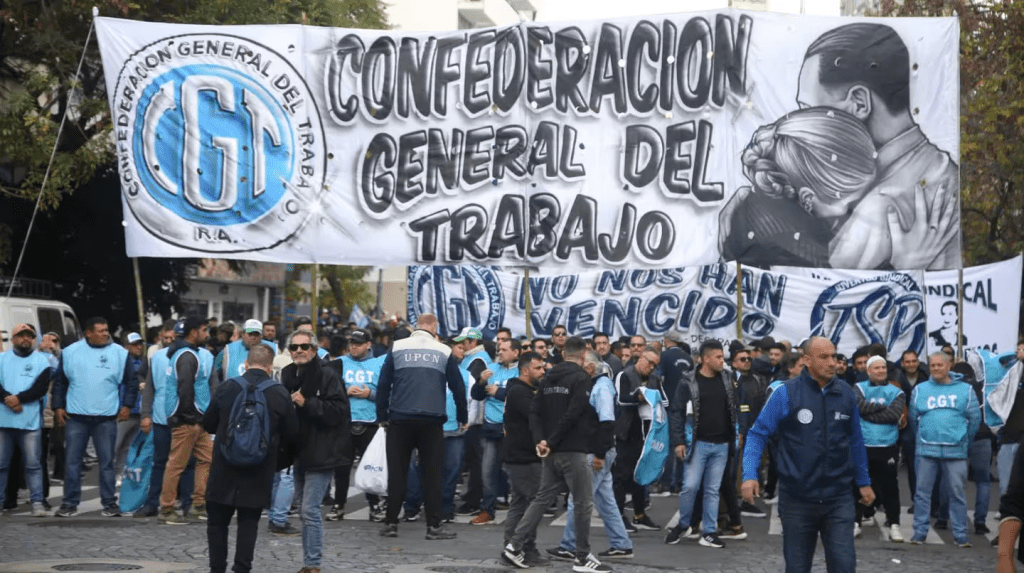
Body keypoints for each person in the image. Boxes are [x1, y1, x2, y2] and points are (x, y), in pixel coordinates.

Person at [741, 336, 874, 573]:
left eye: (834, 355)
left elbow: (855, 439)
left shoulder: (846, 394)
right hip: (797, 499)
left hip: (839, 497)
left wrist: (863, 482)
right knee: (797, 567)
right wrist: (749, 474)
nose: (833, 362)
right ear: (807, 360)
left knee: (844, 565)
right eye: (824, 357)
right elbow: (758, 434)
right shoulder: (786, 394)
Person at [501, 336, 611, 573]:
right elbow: (573, 414)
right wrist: (549, 440)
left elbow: (535, 411)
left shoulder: (548, 377)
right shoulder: (581, 378)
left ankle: (513, 547)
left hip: (550, 451)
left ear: (563, 354)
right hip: (572, 449)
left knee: (541, 499)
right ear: (584, 355)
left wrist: (542, 440)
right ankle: (582, 557)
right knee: (583, 503)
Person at [203, 344, 300, 573]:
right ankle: (242, 568)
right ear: (270, 366)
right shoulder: (278, 393)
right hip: (259, 468)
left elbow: (208, 423)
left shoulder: (227, 387)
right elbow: (293, 434)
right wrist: (278, 460)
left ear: (246, 364)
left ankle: (217, 568)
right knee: (249, 523)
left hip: (224, 466)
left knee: (217, 523)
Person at [376, 313, 467, 540]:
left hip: (400, 419)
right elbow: (458, 387)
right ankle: (434, 527)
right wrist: (463, 415)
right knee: (432, 475)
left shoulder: (397, 347)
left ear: (416, 327)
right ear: (434, 326)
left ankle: (390, 524)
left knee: (397, 474)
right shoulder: (443, 350)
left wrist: (382, 415)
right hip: (431, 421)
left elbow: (384, 383)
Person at [549, 350, 634, 561]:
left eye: (582, 363)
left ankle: (569, 545)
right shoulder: (596, 384)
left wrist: (599, 453)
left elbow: (607, 422)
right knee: (605, 501)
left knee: (577, 498)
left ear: (590, 366)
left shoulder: (601, 386)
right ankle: (621, 544)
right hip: (600, 450)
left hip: (598, 451)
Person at [52, 317, 139, 517]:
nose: (104, 334)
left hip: (106, 418)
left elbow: (131, 382)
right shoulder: (71, 352)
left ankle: (109, 503)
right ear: (88, 333)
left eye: (106, 330)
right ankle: (69, 503)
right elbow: (60, 382)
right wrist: (58, 407)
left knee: (107, 462)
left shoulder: (119, 353)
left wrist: (127, 405)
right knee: (72, 462)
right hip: (76, 417)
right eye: (99, 331)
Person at [281, 329, 350, 573]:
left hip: (323, 451)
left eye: (304, 346)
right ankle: (309, 562)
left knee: (309, 510)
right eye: (294, 347)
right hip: (299, 451)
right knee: (302, 509)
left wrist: (306, 403)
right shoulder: (288, 375)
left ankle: (312, 564)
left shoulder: (328, 375)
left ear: (314, 350)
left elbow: (339, 412)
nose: (299, 351)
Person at [666, 340, 739, 549]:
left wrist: (737, 433)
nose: (722, 360)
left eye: (722, 356)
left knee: (712, 490)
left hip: (722, 444)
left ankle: (709, 531)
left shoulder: (727, 377)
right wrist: (678, 441)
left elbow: (733, 407)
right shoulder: (688, 381)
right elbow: (677, 412)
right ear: (705, 358)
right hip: (696, 444)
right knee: (689, 486)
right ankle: (683, 524)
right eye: (717, 357)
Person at [907, 351, 980, 547]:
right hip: (926, 450)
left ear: (949, 366)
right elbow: (913, 420)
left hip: (956, 452)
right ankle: (919, 533)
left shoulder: (966, 390)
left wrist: (963, 440)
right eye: (933, 365)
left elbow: (974, 420)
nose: (936, 369)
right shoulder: (920, 389)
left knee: (957, 494)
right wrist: (923, 438)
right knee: (922, 494)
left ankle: (961, 535)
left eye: (940, 365)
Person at [159, 316, 218, 524]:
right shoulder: (186, 356)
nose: (207, 334)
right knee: (177, 465)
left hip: (195, 418)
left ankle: (198, 504)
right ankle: (166, 508)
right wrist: (190, 417)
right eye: (204, 329)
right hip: (188, 419)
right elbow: (185, 389)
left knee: (207, 459)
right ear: (193, 332)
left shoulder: (185, 353)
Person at [324, 328, 385, 522]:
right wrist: (345, 391)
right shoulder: (339, 364)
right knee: (342, 467)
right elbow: (327, 391)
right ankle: (339, 505)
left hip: (370, 422)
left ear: (368, 345)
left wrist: (370, 395)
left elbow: (388, 394)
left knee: (372, 466)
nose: (353, 347)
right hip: (346, 422)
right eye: (351, 343)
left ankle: (374, 505)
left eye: (358, 343)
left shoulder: (379, 363)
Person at [0, 323, 52, 517]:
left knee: (33, 465)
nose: (25, 339)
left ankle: (37, 502)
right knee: (1, 465)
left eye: (29, 336)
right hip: (3, 421)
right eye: (21, 336)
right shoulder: (1, 359)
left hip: (30, 422)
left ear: (33, 340)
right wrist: (10, 400)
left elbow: (40, 388)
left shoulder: (42, 361)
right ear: (13, 339)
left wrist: (19, 399)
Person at [854, 355, 905, 542]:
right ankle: (856, 522)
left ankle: (894, 525)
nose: (881, 371)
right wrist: (880, 409)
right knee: (858, 485)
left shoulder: (897, 392)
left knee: (890, 488)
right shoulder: (859, 388)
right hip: (863, 445)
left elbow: (892, 415)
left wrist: (869, 412)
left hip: (887, 446)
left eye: (883, 367)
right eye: (876, 368)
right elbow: (857, 406)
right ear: (868, 371)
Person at [503, 351, 547, 565]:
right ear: (525, 370)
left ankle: (512, 547)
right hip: (523, 457)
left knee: (520, 505)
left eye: (542, 367)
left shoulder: (526, 390)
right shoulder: (520, 392)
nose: (542, 371)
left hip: (523, 456)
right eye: (538, 368)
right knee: (532, 506)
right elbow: (535, 416)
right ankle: (525, 550)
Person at [614, 345, 663, 533]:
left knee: (640, 475)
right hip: (626, 432)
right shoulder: (625, 375)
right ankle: (618, 516)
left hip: (646, 432)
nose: (652, 368)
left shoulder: (654, 378)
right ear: (641, 358)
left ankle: (640, 514)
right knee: (621, 476)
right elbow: (621, 400)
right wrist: (641, 397)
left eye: (655, 365)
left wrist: (654, 398)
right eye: (650, 363)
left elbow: (663, 400)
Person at [470, 338, 520, 525]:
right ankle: (487, 509)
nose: (501, 353)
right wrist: (482, 382)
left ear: (516, 352)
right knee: (487, 471)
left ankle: (519, 510)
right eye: (499, 350)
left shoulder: (521, 370)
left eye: (505, 350)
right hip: (490, 428)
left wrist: (499, 392)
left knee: (514, 472)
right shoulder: (492, 368)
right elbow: (476, 395)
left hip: (512, 430)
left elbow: (523, 395)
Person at [114, 332, 148, 480]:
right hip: (124, 409)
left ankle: (122, 472)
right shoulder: (120, 362)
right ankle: (110, 472)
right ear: (126, 346)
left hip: (138, 410)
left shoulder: (144, 362)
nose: (139, 347)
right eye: (135, 344)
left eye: (140, 344)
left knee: (129, 444)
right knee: (116, 444)